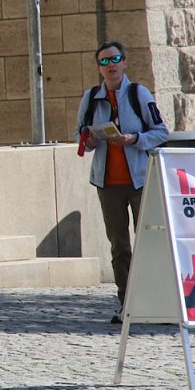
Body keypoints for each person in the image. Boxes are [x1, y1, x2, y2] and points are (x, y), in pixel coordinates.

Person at [74, 41, 168, 323]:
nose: (110, 65)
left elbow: (161, 132)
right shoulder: (91, 97)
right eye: (104, 62)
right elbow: (80, 134)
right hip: (108, 184)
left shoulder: (139, 93)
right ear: (99, 68)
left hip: (140, 181)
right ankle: (127, 304)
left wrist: (134, 139)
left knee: (150, 242)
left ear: (125, 62)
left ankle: (157, 302)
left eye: (115, 59)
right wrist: (89, 140)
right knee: (119, 245)